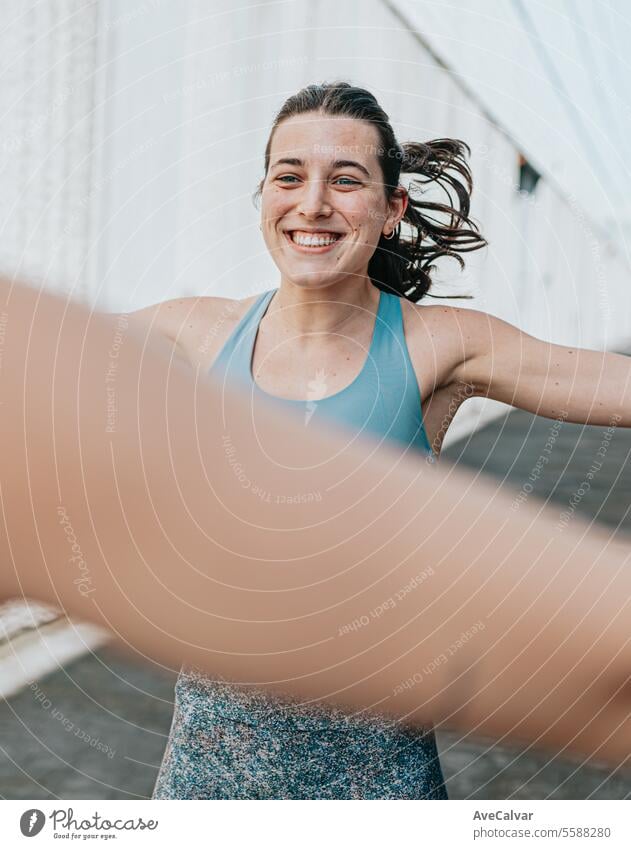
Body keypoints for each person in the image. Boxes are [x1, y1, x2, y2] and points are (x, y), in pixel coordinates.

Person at [0, 81, 629, 800]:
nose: (312, 203)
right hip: (207, 789)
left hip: (380, 788)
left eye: (346, 180)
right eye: (288, 176)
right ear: (262, 198)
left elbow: (609, 385)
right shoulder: (190, 334)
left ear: (392, 210)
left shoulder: (439, 346)